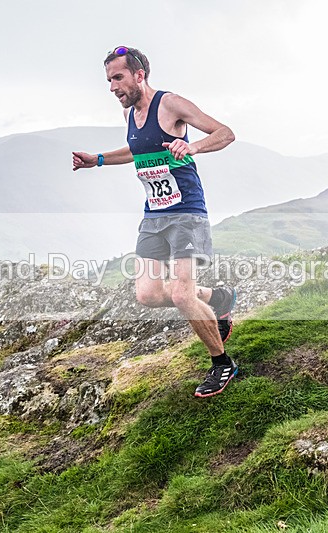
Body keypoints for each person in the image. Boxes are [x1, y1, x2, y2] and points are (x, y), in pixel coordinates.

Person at [72, 46, 238, 398]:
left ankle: (222, 364)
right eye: (108, 80)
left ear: (139, 75)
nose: (112, 87)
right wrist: (97, 159)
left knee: (180, 295)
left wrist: (192, 148)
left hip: (186, 213)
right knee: (147, 295)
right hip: (153, 214)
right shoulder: (131, 115)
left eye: (117, 78)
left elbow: (225, 133)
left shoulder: (170, 104)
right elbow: (138, 150)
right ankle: (218, 299)